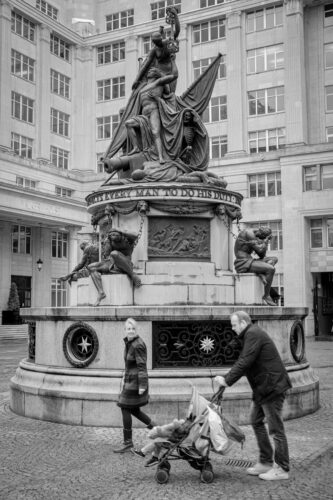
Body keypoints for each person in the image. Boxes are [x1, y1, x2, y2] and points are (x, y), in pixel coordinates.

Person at [214, 311, 292, 481]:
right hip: (263, 388)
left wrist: (227, 380)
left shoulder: (253, 334)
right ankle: (265, 462)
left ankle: (282, 468)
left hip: (272, 387)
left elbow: (245, 361)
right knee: (255, 420)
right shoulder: (249, 335)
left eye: (234, 325)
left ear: (243, 323)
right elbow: (243, 358)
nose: (233, 328)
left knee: (275, 428)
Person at [113, 318, 155, 453]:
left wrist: (142, 385)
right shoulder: (130, 343)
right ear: (125, 330)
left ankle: (128, 442)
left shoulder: (138, 345)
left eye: (133, 329)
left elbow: (142, 366)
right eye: (128, 329)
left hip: (136, 382)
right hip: (130, 381)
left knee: (124, 407)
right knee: (133, 410)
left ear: (136, 330)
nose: (130, 331)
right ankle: (155, 428)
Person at [87, 228, 141, 306]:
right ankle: (101, 292)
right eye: (111, 235)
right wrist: (106, 243)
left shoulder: (127, 240)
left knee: (114, 253)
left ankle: (132, 275)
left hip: (125, 263)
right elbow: (106, 254)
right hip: (112, 263)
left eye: (115, 234)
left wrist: (121, 230)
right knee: (91, 267)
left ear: (120, 235)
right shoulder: (110, 241)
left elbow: (135, 235)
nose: (113, 236)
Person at [234, 226, 278, 306]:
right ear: (260, 233)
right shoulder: (249, 233)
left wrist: (264, 242)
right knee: (271, 269)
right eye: (262, 237)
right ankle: (266, 295)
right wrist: (266, 241)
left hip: (250, 261)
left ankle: (261, 273)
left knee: (274, 259)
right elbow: (260, 252)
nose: (261, 239)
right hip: (242, 262)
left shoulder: (256, 236)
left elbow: (261, 255)